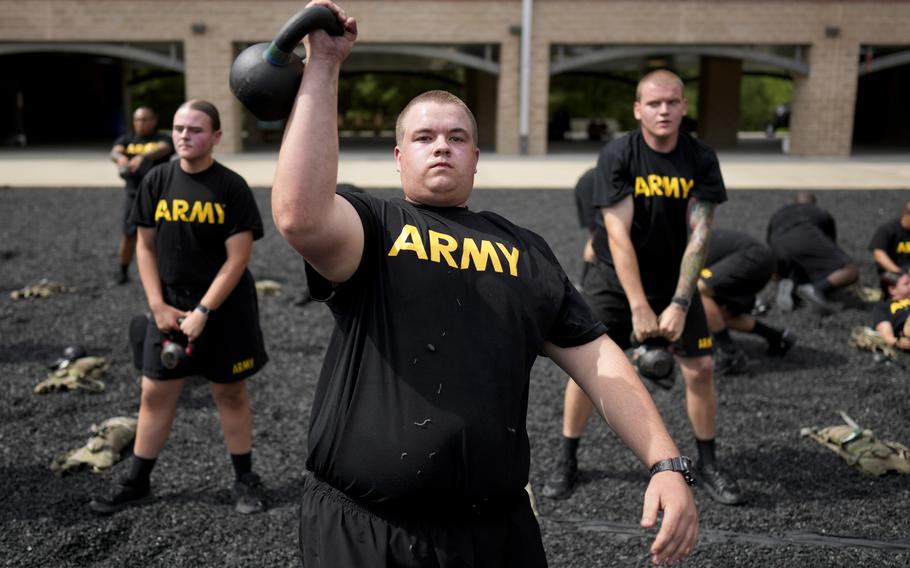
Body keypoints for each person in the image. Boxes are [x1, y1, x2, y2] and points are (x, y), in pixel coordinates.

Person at [272, 3, 698, 565]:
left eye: (456, 136)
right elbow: (300, 215)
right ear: (400, 158)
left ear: (476, 157)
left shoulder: (526, 251)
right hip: (365, 530)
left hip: (494, 531)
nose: (441, 145)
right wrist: (324, 65)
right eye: (424, 137)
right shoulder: (374, 227)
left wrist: (665, 461)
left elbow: (600, 361)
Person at [543, 69, 745, 506]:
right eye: (654, 103)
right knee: (587, 367)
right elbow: (617, 236)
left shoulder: (701, 157)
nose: (664, 110)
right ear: (638, 110)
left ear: (684, 107)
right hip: (614, 278)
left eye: (672, 102)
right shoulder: (618, 154)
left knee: (702, 369)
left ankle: (708, 464)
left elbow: (700, 235)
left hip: (673, 278)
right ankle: (567, 458)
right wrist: (638, 306)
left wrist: (679, 301)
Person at [90, 100, 269, 516]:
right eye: (178, 128)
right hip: (170, 305)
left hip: (223, 308)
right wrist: (157, 305)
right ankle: (137, 481)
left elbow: (238, 258)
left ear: (217, 137)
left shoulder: (231, 186)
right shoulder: (156, 179)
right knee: (154, 393)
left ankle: (244, 478)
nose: (184, 136)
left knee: (229, 392)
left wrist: (204, 312)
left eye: (196, 129)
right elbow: (146, 246)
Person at [698, 228, 796, 375]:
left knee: (699, 290)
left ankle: (729, 354)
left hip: (749, 257)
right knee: (717, 315)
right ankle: (778, 338)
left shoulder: (673, 247)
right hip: (755, 262)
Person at [109, 107, 174, 284]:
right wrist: (120, 158)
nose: (140, 123)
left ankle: (165, 273)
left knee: (162, 235)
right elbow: (115, 151)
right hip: (133, 195)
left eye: (144, 119)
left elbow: (165, 148)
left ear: (154, 120)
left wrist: (143, 156)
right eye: (137, 119)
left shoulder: (162, 138)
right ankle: (122, 271)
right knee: (129, 234)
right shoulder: (127, 139)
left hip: (159, 195)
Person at [766, 191, 858, 314]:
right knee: (850, 271)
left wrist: (777, 273)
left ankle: (788, 284)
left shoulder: (779, 213)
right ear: (813, 203)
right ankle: (815, 289)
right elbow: (831, 246)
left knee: (797, 264)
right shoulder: (819, 212)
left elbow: (769, 240)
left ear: (795, 202)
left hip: (777, 244)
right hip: (804, 235)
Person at [868, 201, 910, 291]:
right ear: (907, 215)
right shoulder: (888, 229)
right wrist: (900, 273)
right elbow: (878, 254)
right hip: (895, 273)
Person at [871, 271, 910, 351]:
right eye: (906, 284)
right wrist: (899, 342)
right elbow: (887, 336)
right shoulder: (883, 307)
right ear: (892, 289)